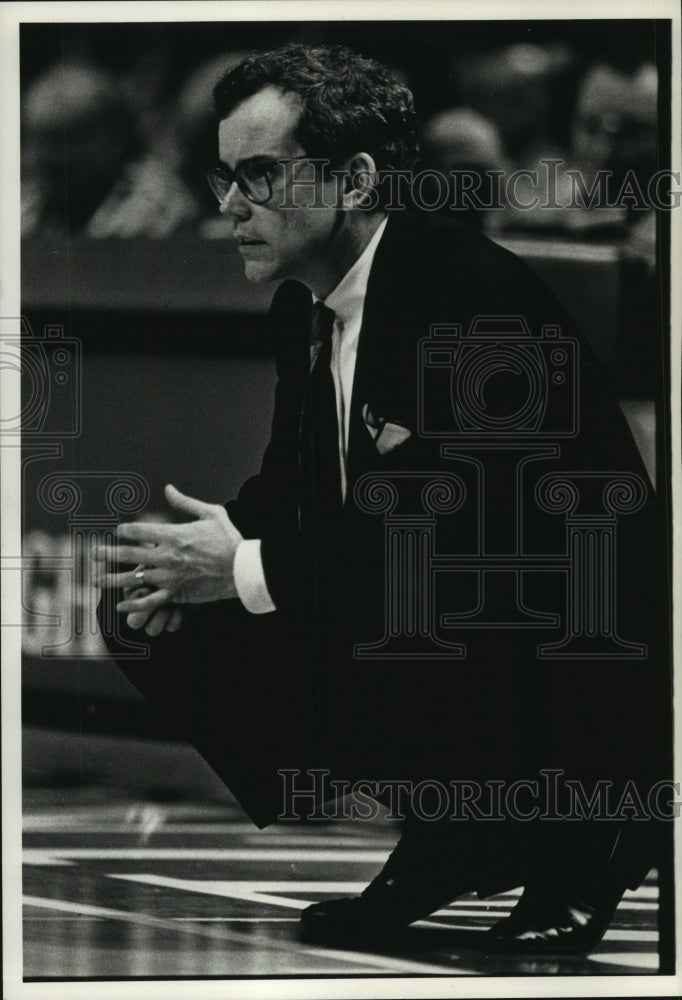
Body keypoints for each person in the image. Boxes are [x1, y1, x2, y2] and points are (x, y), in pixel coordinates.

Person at [96, 43, 669, 953]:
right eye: (223, 176)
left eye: (260, 175)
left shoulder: (469, 296)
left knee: (394, 593)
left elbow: (457, 537)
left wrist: (244, 563)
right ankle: (456, 824)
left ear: (356, 178)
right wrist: (207, 548)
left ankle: (590, 836)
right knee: (145, 605)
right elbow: (293, 494)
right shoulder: (308, 307)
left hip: (577, 652)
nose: (230, 205)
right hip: (444, 607)